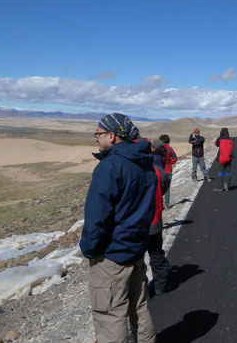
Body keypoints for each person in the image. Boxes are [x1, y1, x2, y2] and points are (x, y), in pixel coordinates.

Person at [80, 113, 156, 342]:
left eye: (98, 134)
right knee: (139, 308)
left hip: (111, 256)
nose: (96, 138)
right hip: (135, 250)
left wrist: (89, 249)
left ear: (111, 136)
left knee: (110, 315)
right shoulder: (144, 164)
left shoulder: (110, 166)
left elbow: (97, 217)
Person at [148, 140, 171, 296]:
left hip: (135, 224)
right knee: (156, 253)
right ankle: (160, 285)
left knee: (136, 261)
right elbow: (164, 188)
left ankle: (143, 292)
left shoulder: (128, 169)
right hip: (155, 219)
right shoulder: (156, 170)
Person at [158, 134, 177, 208]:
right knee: (167, 188)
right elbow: (174, 158)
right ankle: (166, 204)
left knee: (159, 188)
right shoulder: (170, 149)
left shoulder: (158, 148)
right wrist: (170, 162)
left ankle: (159, 205)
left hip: (159, 171)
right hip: (168, 171)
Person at [214, 128, 234, 192]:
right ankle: (226, 186)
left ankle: (220, 187)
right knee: (227, 172)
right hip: (229, 159)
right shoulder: (231, 139)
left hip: (221, 159)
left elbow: (216, 144)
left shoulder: (220, 139)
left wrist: (220, 137)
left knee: (220, 173)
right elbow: (232, 146)